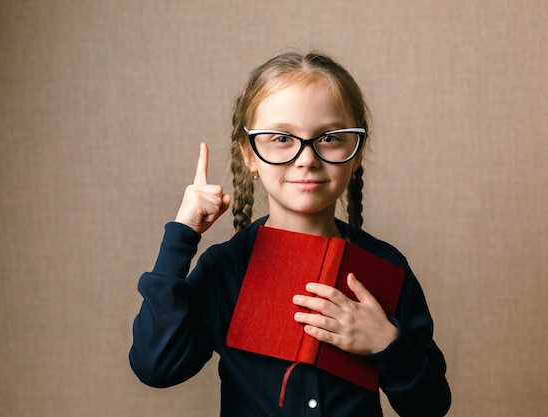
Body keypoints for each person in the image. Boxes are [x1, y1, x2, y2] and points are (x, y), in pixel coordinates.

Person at [129, 51, 451, 416]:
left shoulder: (385, 267)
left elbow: (431, 405)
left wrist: (386, 344)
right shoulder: (227, 268)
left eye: (330, 137)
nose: (306, 158)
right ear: (249, 154)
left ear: (357, 151)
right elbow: (155, 366)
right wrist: (181, 235)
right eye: (281, 138)